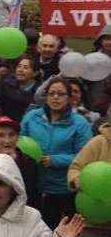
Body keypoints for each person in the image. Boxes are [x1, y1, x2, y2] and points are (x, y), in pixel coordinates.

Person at [20, 77, 92, 229]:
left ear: (69, 98)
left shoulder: (80, 123)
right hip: (33, 186)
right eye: (52, 93)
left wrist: (55, 160)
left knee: (59, 232)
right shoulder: (32, 117)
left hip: (63, 189)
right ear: (45, 97)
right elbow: (20, 143)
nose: (56, 97)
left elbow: (84, 157)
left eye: (61, 94)